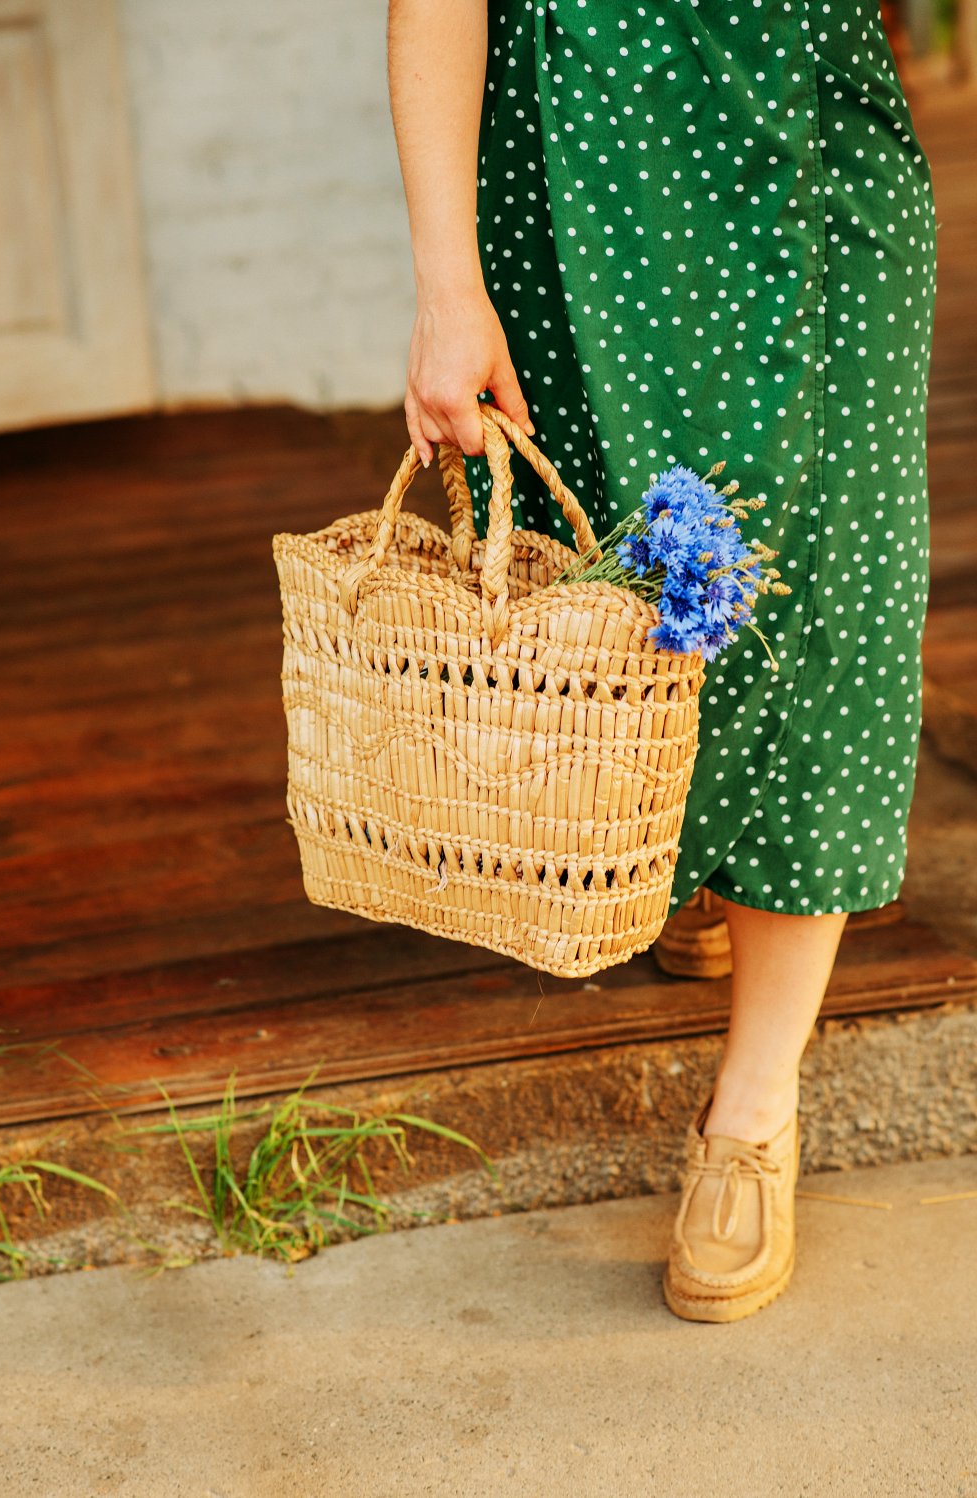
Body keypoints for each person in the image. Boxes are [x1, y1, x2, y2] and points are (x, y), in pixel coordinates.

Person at [385, 0, 937, 1320]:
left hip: (808, 145)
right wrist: (447, 291)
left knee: (811, 603)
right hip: (575, 168)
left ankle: (753, 1107)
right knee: (619, 580)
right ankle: (691, 852)